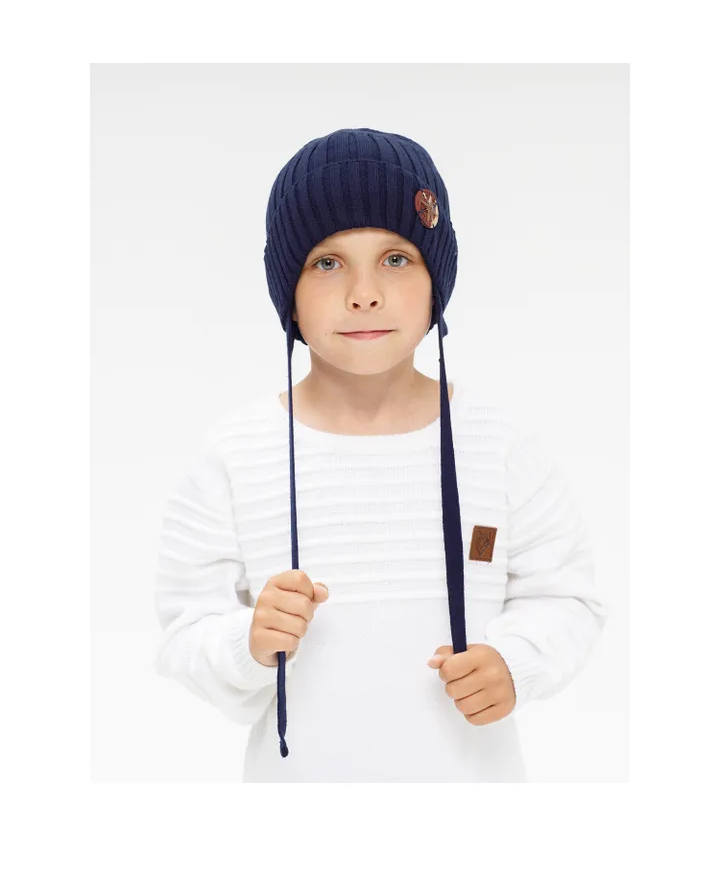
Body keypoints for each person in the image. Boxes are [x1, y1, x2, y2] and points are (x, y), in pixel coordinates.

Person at [153, 127, 611, 782]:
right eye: (327, 263)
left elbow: (567, 598)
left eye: (396, 258)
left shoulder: (500, 446)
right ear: (287, 291)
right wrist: (247, 642)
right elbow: (184, 631)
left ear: (437, 280)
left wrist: (516, 662)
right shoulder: (236, 455)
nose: (363, 293)